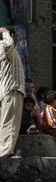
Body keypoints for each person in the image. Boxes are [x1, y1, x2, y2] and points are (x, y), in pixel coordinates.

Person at [0, 26, 25, 157]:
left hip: (9, 91)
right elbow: (8, 44)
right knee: (10, 123)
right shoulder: (3, 46)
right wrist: (4, 31)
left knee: (6, 122)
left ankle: (4, 152)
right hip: (12, 89)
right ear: (13, 35)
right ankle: (4, 154)